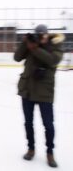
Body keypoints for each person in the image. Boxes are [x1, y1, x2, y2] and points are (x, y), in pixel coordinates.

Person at [14, 24, 64, 168]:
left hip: (44, 92)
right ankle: (31, 148)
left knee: (48, 125)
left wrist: (35, 48)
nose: (41, 37)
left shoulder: (55, 45)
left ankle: (50, 152)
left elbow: (52, 60)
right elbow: (17, 57)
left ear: (47, 35)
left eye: (43, 35)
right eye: (38, 35)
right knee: (28, 123)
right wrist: (26, 43)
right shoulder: (31, 45)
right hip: (27, 90)